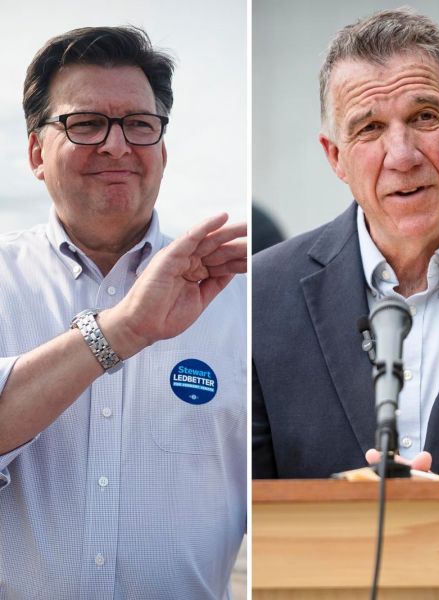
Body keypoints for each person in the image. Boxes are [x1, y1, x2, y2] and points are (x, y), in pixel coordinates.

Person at [0, 27, 246, 598]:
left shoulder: (238, 292)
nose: (116, 145)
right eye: (85, 124)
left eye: (139, 124)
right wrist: (122, 330)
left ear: (163, 148)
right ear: (37, 152)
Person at [252, 8, 439, 479]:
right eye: (369, 128)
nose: (403, 155)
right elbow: (257, 511)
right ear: (336, 157)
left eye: (424, 117)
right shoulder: (264, 295)